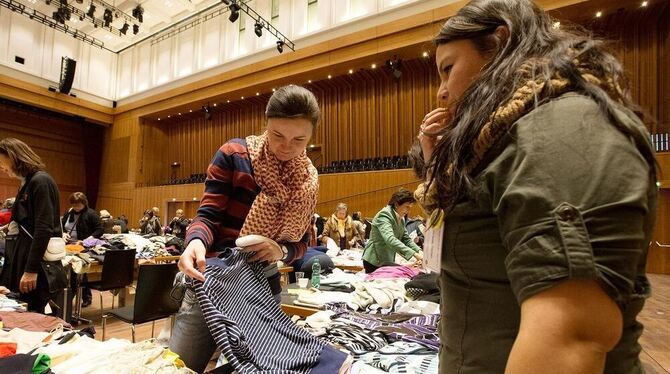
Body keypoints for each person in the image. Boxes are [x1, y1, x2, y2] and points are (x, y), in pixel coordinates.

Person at [411, 1, 657, 372]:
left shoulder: (564, 127)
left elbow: (571, 336)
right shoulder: (513, 137)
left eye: (448, 69)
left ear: (499, 45)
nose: (441, 92)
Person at [169, 84, 320, 372]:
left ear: (311, 137)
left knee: (260, 367)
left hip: (263, 284)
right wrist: (195, 242)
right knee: (181, 365)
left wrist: (281, 249)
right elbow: (208, 215)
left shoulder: (307, 181)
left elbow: (301, 243)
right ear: (266, 122)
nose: (286, 147)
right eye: (278, 135)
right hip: (213, 279)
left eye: (299, 139)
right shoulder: (235, 154)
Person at [0, 138, 64, 313]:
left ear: (13, 157)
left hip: (36, 268)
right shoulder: (27, 183)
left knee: (33, 320)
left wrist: (30, 271)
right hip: (21, 260)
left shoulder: (40, 181)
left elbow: (44, 229)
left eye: (1, 162)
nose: (2, 168)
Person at [362, 188, 423, 274]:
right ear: (397, 204)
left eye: (410, 207)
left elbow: (406, 239)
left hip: (386, 260)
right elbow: (390, 239)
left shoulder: (400, 218)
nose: (409, 210)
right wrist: (414, 254)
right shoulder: (384, 215)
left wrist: (419, 251)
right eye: (407, 207)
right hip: (375, 260)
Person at [62, 192, 103, 308]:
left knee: (79, 271)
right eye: (74, 205)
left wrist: (85, 241)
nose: (76, 208)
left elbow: (99, 230)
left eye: (78, 205)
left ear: (84, 203)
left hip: (83, 246)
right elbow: (61, 225)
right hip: (68, 245)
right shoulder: (69, 212)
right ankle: (79, 296)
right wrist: (63, 234)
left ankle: (79, 297)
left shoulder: (91, 214)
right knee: (72, 271)